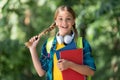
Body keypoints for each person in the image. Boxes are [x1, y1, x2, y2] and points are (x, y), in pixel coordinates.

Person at [28, 5, 96, 80]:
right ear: (56, 21)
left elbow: (91, 71)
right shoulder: (49, 44)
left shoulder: (81, 43)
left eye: (68, 19)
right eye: (60, 19)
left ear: (73, 21)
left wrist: (70, 65)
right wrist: (32, 49)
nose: (64, 23)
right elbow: (41, 72)